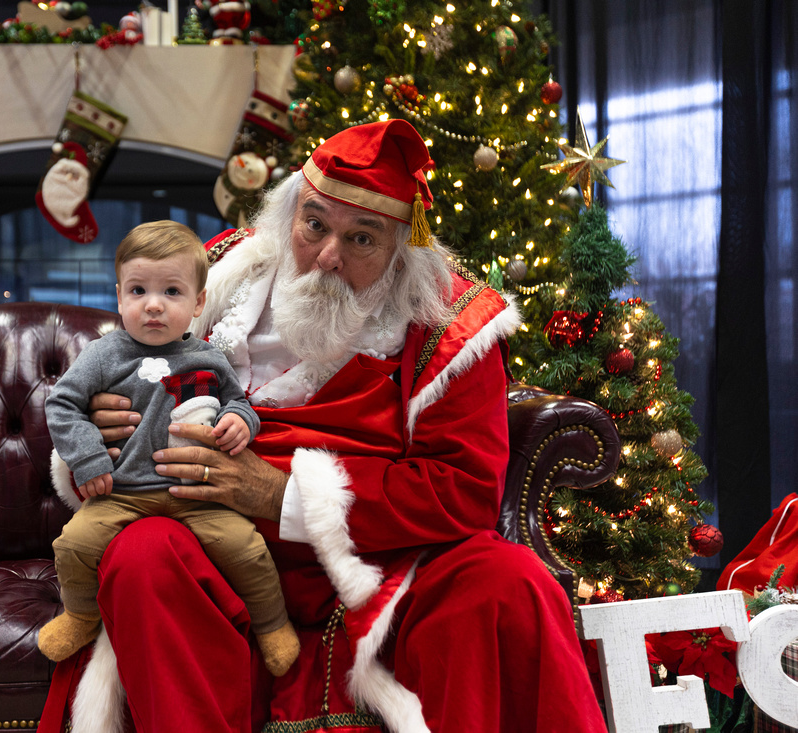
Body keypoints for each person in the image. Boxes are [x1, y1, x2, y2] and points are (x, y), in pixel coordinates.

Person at [37, 121, 608, 733]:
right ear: (289, 214)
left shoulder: (449, 328)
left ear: (400, 248)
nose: (328, 257)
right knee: (142, 554)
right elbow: (117, 370)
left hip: (378, 565)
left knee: (510, 581)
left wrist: (283, 495)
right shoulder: (217, 277)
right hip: (210, 549)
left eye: (361, 238)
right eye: (314, 225)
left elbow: (463, 490)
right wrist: (102, 429)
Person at [40, 220, 300, 677]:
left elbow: (237, 400)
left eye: (172, 293)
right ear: (119, 296)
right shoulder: (104, 354)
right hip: (122, 494)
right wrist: (87, 458)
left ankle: (273, 624)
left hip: (199, 497)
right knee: (73, 546)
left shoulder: (208, 356)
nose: (153, 305)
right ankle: (80, 615)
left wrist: (240, 420)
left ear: (199, 302)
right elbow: (63, 404)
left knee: (248, 549)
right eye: (138, 291)